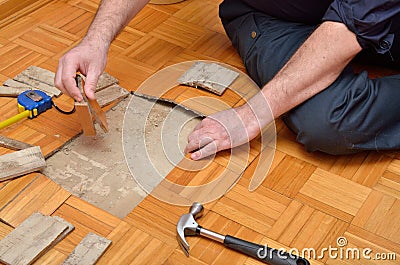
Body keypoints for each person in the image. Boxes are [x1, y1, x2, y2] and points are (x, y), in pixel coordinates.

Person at [55, 0, 400, 161]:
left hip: (381, 16)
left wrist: (247, 117)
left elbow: (350, 26)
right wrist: (96, 39)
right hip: (274, 17)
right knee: (327, 121)